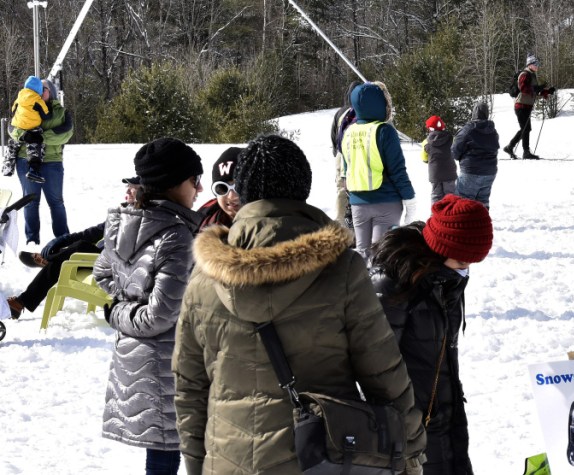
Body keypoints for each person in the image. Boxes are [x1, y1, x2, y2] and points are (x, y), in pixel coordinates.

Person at [173, 135, 426, 475]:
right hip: (318, 458)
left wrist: (195, 464)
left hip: (227, 462)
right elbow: (383, 372)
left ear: (243, 192)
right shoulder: (342, 269)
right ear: (303, 188)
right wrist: (410, 454)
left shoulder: (205, 276)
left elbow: (189, 388)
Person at [93, 137, 205, 475]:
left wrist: (124, 303)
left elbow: (102, 275)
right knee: (176, 452)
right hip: (167, 363)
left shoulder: (125, 222)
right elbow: (159, 315)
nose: (199, 189)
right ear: (174, 184)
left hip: (137, 356)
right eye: (193, 180)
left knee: (164, 452)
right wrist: (120, 311)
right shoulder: (175, 234)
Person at [370, 194, 494, 475]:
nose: (466, 268)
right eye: (462, 260)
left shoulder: (441, 278)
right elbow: (374, 365)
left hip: (440, 411)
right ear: (440, 249)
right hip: (411, 424)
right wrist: (405, 421)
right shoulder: (395, 282)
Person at [5, 177, 140, 320]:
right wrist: (61, 240)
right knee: (65, 258)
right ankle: (21, 301)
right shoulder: (123, 212)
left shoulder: (144, 218)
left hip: (113, 265)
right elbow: (92, 233)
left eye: (133, 188)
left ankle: (45, 263)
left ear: (145, 191)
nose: (128, 191)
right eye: (128, 187)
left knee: (80, 247)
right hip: (97, 257)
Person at [341, 82, 417, 263]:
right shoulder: (384, 131)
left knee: (362, 255)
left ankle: (361, 290)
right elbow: (398, 170)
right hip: (386, 202)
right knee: (382, 256)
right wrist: (410, 199)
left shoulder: (349, 132)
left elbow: (347, 170)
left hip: (358, 204)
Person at [7, 78, 73, 245]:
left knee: (56, 202)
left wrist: (40, 137)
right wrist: (24, 136)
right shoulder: (25, 105)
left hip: (52, 162)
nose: (40, 92)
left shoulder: (61, 112)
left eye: (44, 89)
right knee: (30, 201)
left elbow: (65, 134)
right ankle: (32, 241)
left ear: (50, 92)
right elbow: (12, 128)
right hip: (26, 161)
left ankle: (63, 239)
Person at [502, 54, 555, 160]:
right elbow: (523, 88)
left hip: (526, 105)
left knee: (526, 128)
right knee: (525, 128)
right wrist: (537, 88)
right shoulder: (525, 74)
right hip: (521, 105)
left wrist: (547, 91)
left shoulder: (532, 75)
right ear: (530, 64)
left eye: (538, 64)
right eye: (536, 64)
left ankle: (511, 147)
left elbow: (535, 91)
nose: (537, 66)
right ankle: (522, 151)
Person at [452, 101, 500, 208]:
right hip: (489, 172)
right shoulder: (493, 130)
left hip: (471, 171)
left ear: (474, 113)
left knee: (463, 202)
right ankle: (482, 224)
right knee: (483, 202)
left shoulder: (468, 129)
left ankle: (464, 224)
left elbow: (455, 150)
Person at [7, 75, 53, 183]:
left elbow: (13, 110)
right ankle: (33, 170)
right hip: (30, 129)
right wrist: (49, 108)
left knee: (14, 143)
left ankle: (8, 165)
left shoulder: (19, 97)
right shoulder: (38, 100)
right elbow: (47, 115)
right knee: (36, 144)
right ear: (39, 90)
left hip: (15, 127)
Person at [331, 80, 362, 229]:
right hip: (358, 154)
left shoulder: (340, 112)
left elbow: (334, 135)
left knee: (342, 189)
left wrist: (335, 151)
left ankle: (340, 222)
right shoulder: (364, 110)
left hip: (341, 154)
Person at [198, 146, 242, 228]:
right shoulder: (200, 222)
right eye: (222, 188)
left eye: (239, 187)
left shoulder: (269, 226)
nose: (232, 196)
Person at [421, 115, 457, 203]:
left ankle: (435, 215)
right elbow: (456, 151)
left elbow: (424, 158)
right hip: (450, 173)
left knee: (436, 196)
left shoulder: (426, 142)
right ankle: (451, 215)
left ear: (430, 128)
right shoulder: (452, 139)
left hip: (435, 173)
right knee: (450, 195)